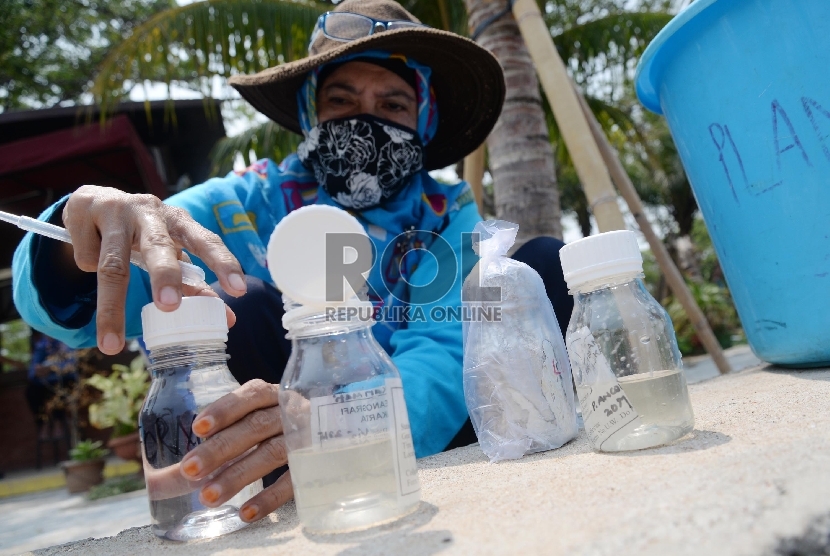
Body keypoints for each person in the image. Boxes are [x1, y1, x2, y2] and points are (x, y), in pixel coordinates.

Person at [12, 0, 573, 523]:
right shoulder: (242, 203)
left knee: (544, 262)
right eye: (342, 100)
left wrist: (336, 428)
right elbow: (124, 277)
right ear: (311, 113)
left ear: (422, 122)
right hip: (282, 457)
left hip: (418, 441)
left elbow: (441, 351)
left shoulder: (447, 215)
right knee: (242, 298)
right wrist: (82, 239)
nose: (366, 120)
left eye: (394, 104)